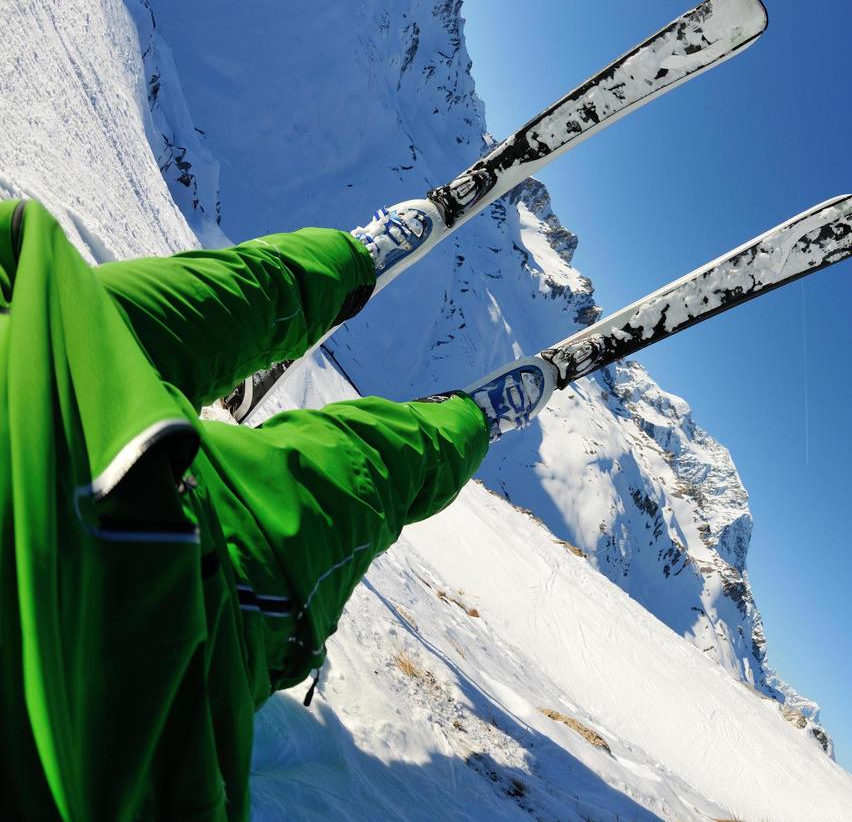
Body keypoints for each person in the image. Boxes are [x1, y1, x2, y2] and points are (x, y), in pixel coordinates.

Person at [0, 198, 493, 820]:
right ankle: (467, 422)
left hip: (37, 329)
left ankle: (350, 262)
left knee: (243, 291)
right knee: (362, 468)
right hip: (158, 569)